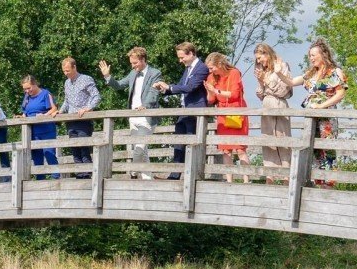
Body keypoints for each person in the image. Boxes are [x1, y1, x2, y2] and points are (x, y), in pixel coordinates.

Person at [99, 47, 161, 177]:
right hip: (133, 117)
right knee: (142, 151)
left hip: (147, 117)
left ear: (143, 59)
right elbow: (119, 85)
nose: (133, 66)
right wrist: (107, 76)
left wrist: (145, 105)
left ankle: (133, 171)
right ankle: (148, 181)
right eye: (131, 63)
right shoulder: (133, 73)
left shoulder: (155, 73)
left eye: (135, 63)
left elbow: (154, 92)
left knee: (139, 149)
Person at [153, 42, 210, 179]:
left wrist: (170, 87)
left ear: (190, 53)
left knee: (192, 144)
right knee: (178, 142)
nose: (180, 61)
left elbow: (190, 87)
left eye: (182, 57)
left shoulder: (202, 68)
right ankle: (174, 175)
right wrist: (164, 89)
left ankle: (193, 176)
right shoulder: (188, 68)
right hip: (185, 111)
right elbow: (180, 86)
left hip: (195, 112)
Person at [296, 39, 348, 178]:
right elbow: (291, 82)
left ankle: (329, 183)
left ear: (323, 54)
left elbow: (340, 93)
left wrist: (321, 106)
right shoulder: (311, 73)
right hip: (311, 117)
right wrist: (278, 72)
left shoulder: (334, 72)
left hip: (327, 118)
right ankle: (316, 181)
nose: (311, 58)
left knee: (328, 150)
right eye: (310, 56)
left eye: (313, 55)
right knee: (313, 150)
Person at [252, 43, 300, 173]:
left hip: (279, 104)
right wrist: (261, 82)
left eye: (260, 57)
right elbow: (261, 94)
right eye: (257, 59)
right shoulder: (263, 70)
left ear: (267, 54)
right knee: (268, 141)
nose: (258, 61)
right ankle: (270, 175)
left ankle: (286, 176)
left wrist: (266, 81)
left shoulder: (282, 66)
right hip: (266, 105)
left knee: (282, 141)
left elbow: (283, 90)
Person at [203, 52, 250, 174]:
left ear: (219, 64)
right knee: (226, 150)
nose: (210, 70)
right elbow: (211, 100)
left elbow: (234, 94)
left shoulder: (234, 73)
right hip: (222, 114)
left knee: (240, 149)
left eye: (212, 67)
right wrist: (210, 91)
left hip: (237, 112)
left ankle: (246, 181)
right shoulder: (211, 77)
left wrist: (216, 90)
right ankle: (229, 180)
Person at [59, 56, 101, 178]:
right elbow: (67, 101)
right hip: (70, 120)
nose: (66, 73)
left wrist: (88, 108)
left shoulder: (86, 79)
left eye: (68, 70)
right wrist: (60, 112)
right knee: (75, 149)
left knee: (84, 147)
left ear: (74, 67)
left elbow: (96, 96)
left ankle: (88, 174)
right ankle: (79, 174)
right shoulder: (67, 83)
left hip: (83, 120)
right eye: (64, 71)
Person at [19, 75, 58, 179]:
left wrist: (44, 116)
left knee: (49, 153)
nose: (27, 91)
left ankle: (56, 179)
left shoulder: (45, 94)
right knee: (37, 157)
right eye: (25, 89)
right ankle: (40, 181)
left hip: (46, 130)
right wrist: (21, 117)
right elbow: (25, 112)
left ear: (35, 84)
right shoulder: (26, 97)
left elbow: (54, 109)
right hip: (32, 132)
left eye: (29, 88)